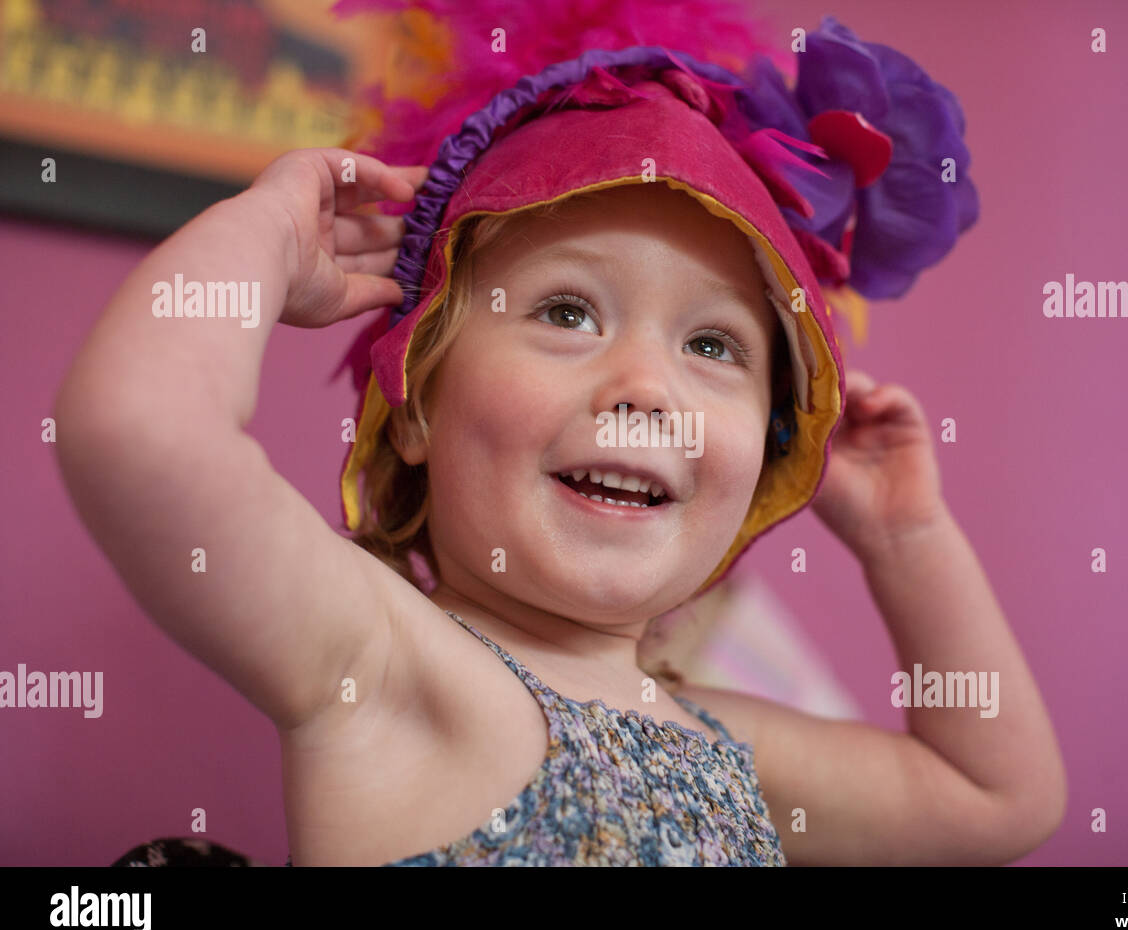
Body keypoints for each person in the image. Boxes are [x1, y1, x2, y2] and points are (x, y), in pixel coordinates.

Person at [63, 7, 1066, 867]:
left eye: (712, 341)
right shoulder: (382, 658)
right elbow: (141, 430)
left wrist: (906, 538)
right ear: (411, 403)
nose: (643, 385)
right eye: (566, 313)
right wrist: (268, 235)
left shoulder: (725, 742)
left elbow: (995, 796)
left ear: (769, 450)